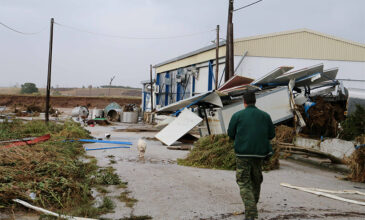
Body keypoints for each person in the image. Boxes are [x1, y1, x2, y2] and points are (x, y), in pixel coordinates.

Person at [227, 91, 275, 220]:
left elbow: (230, 134)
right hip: (259, 155)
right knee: (256, 180)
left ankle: (251, 212)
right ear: (255, 101)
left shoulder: (237, 115)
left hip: (242, 154)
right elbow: (271, 135)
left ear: (244, 102)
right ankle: (252, 206)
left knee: (243, 182)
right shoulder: (265, 116)